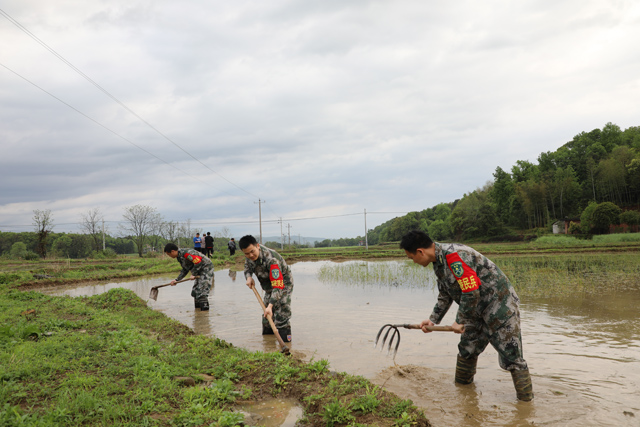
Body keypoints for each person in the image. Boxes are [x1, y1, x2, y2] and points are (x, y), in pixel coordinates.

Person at [400, 230, 533, 401]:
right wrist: (433, 320)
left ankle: (526, 407)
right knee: (467, 350)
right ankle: (464, 397)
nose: (414, 262)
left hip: (499, 307)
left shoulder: (455, 257)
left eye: (412, 258)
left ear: (420, 251)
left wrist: (459, 321)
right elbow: (445, 294)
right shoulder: (439, 263)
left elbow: (471, 291)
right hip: (474, 310)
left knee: (512, 356)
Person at [239, 235, 293, 342]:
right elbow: (247, 267)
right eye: (247, 253)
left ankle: (286, 344)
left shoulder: (271, 260)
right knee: (267, 315)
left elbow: (277, 286)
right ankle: (268, 346)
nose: (250, 255)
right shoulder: (249, 256)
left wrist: (271, 305)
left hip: (283, 284)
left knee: (281, 312)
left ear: (258, 246)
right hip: (268, 286)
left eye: (252, 251)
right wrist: (249, 277)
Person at [164, 242, 215, 311]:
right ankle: (198, 312)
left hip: (206, 268)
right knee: (195, 291)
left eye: (169, 254)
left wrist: (193, 274)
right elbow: (185, 269)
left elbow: (198, 262)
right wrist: (177, 280)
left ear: (173, 251)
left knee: (202, 291)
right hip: (198, 269)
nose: (169, 256)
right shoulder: (179, 257)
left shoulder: (186, 253)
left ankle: (204, 315)